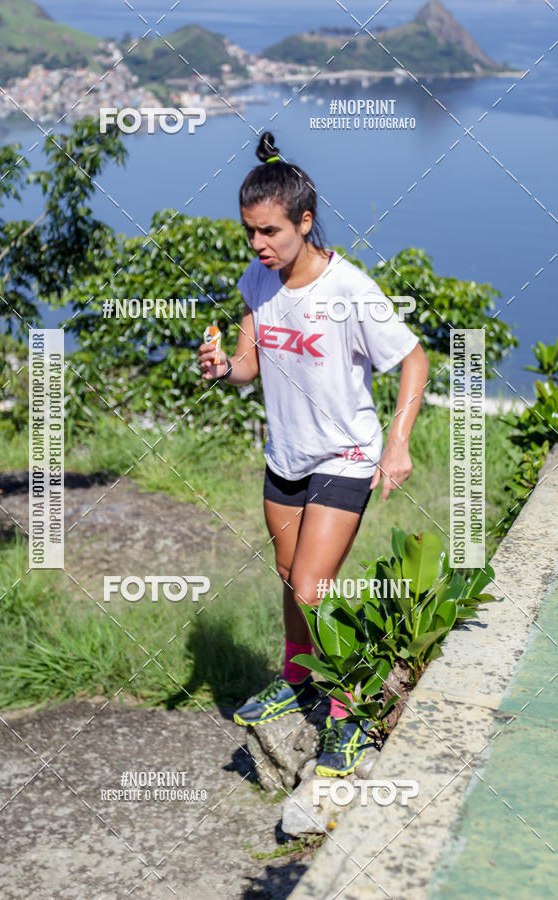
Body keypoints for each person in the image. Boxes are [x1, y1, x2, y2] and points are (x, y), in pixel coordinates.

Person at [197, 131, 429, 777]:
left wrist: (400, 443)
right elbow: (249, 363)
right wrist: (222, 368)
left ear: (305, 221)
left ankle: (349, 714)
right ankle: (298, 679)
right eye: (249, 231)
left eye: (270, 231)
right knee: (288, 580)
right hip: (287, 454)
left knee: (312, 585)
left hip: (345, 454)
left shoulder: (348, 288)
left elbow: (413, 358)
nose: (258, 244)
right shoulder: (259, 277)